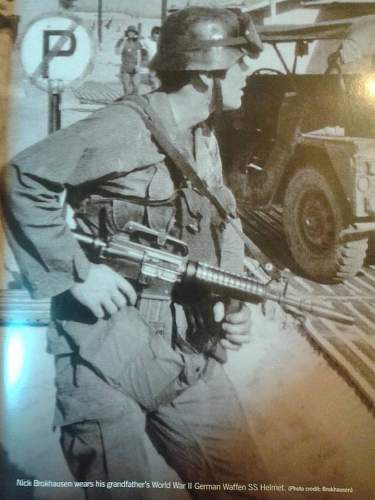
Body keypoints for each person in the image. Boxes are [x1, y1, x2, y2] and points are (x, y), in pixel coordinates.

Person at [2, 7, 269, 499]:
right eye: (240, 63)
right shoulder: (123, 127)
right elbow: (23, 178)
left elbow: (218, 215)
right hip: (100, 351)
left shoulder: (201, 135)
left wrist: (233, 299)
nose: (249, 74)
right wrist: (78, 273)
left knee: (243, 484)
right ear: (205, 72)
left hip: (182, 350)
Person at [115, 25, 142, 95]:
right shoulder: (122, 41)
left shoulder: (137, 42)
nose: (131, 34)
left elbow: (139, 55)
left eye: (133, 32)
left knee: (136, 87)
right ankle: (127, 102)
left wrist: (138, 65)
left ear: (135, 34)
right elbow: (118, 52)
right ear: (127, 33)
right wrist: (124, 40)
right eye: (130, 32)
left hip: (135, 68)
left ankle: (135, 102)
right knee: (127, 88)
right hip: (125, 68)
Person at [141, 26, 161, 90]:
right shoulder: (146, 41)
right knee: (153, 78)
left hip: (161, 64)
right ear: (152, 34)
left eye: (158, 34)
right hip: (152, 63)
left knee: (161, 79)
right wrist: (144, 58)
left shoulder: (162, 42)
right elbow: (140, 46)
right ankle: (154, 89)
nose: (157, 36)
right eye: (155, 34)